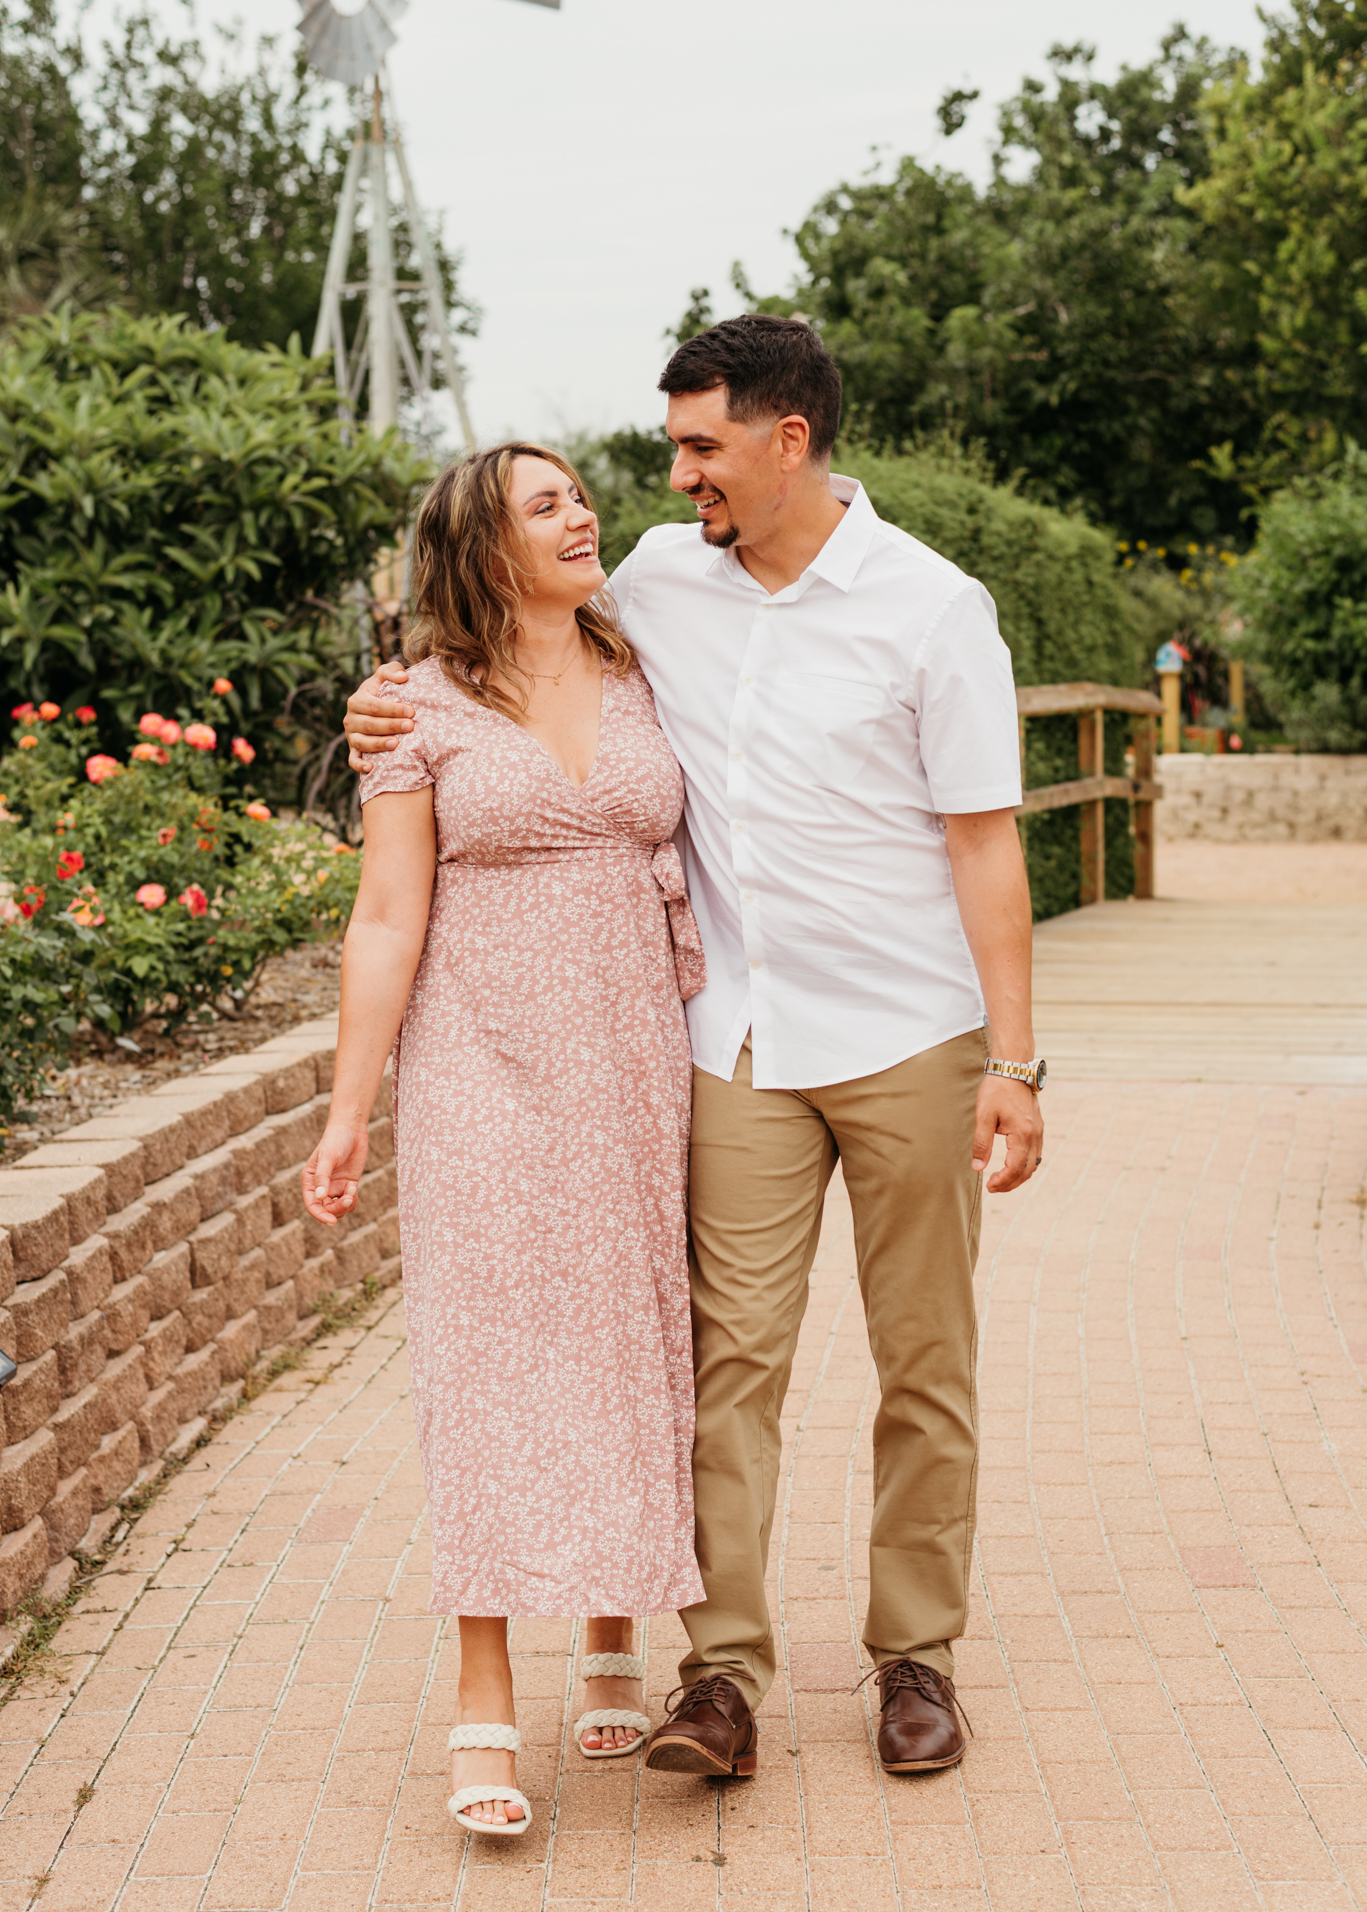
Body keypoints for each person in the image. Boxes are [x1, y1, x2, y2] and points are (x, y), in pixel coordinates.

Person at [344, 316, 1043, 1783]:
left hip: (910, 1035)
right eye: (672, 448)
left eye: (701, 446)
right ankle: (718, 1675)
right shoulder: (659, 582)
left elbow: (984, 846)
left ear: (789, 440)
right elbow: (504, 662)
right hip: (728, 1042)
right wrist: (387, 706)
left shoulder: (933, 609)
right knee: (724, 1366)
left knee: (926, 1362)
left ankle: (915, 1655)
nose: (675, 477)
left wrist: (1015, 1062)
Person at [304, 442, 707, 1838]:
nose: (583, 513)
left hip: (642, 1068)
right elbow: (385, 919)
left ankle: (614, 1627)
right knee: (486, 1365)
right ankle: (484, 1690)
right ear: (483, 549)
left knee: (630, 1338)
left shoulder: (649, 665)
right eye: (547, 505)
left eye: (581, 493)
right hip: (481, 1070)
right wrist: (349, 1107)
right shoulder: (412, 709)